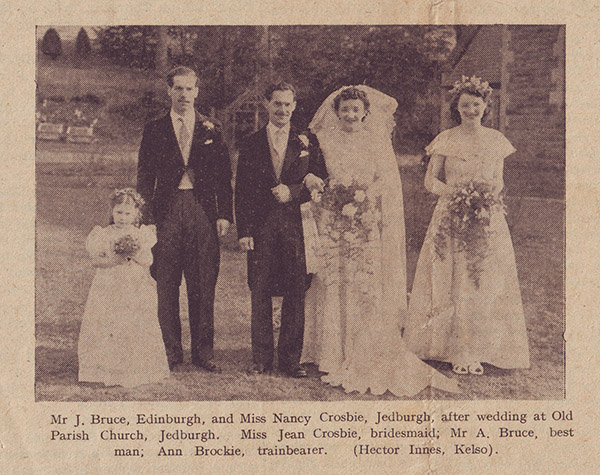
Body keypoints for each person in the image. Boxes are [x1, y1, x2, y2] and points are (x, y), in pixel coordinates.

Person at [301, 86, 458, 396]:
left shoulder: (375, 141)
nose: (349, 114)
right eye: (344, 109)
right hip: (332, 219)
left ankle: (357, 347)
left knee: (361, 283)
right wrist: (330, 197)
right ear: (337, 112)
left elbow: (384, 181)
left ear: (365, 113)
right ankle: (328, 351)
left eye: (355, 109)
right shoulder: (324, 141)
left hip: (364, 221)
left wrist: (361, 201)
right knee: (331, 281)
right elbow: (317, 175)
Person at [404, 76, 530, 375]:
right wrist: (456, 194)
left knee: (482, 278)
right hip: (450, 214)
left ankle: (483, 347)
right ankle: (443, 347)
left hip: (486, 215)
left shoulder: (496, 140)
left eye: (476, 105)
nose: (471, 110)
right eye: (465, 105)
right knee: (450, 275)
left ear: (486, 106)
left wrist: (483, 200)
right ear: (456, 108)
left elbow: (498, 181)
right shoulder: (446, 138)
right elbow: (430, 180)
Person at [137, 66, 233, 372]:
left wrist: (224, 215)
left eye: (189, 89)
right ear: (169, 91)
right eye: (178, 88)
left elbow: (222, 177)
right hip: (166, 211)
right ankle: (170, 351)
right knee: (165, 282)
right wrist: (147, 217)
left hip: (201, 211)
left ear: (197, 91)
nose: (184, 95)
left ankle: (203, 353)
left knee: (203, 283)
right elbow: (144, 176)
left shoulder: (212, 128)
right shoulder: (154, 128)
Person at [235, 81, 327, 378]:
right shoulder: (251, 142)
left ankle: (290, 360)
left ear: (295, 106)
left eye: (288, 104)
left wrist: (295, 191)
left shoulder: (307, 140)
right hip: (261, 226)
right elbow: (243, 191)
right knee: (259, 289)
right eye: (277, 104)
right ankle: (261, 358)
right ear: (267, 104)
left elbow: (321, 179)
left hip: (295, 226)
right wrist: (244, 231)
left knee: (296, 291)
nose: (283, 110)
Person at [78, 188, 170, 387]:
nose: (122, 217)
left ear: (137, 214)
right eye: (118, 212)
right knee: (109, 321)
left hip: (134, 284)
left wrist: (132, 252)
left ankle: (134, 367)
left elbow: (147, 260)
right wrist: (116, 257)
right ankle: (104, 368)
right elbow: (96, 261)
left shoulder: (142, 234)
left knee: (132, 321)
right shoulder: (102, 234)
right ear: (112, 212)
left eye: (127, 213)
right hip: (109, 283)